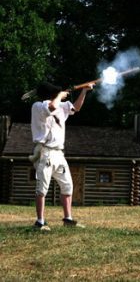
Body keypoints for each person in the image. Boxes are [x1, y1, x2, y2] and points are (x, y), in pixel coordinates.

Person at [30, 81, 93, 230]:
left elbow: (76, 108)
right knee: (42, 189)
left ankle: (68, 219)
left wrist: (84, 91)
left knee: (68, 186)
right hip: (44, 152)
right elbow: (51, 107)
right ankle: (40, 222)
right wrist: (59, 95)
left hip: (59, 153)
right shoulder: (38, 106)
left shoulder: (62, 106)